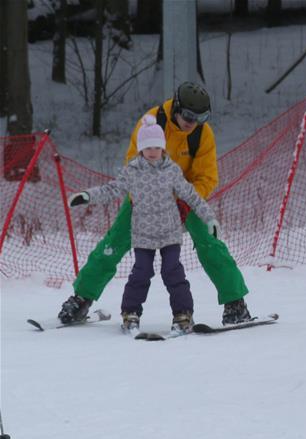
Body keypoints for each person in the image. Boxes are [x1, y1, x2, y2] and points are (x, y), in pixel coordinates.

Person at [57, 82, 253, 327]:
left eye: (200, 117)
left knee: (210, 244)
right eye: (188, 115)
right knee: (113, 243)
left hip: (185, 197)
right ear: (177, 108)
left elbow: (207, 177)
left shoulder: (202, 134)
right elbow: (133, 164)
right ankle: (82, 298)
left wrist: (183, 203)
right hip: (145, 197)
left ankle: (235, 303)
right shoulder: (151, 123)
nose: (193, 122)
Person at [68, 116, 218, 333]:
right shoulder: (132, 171)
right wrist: (87, 196)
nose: (153, 152)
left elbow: (192, 196)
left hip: (169, 233)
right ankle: (130, 313)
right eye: (148, 148)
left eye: (157, 147)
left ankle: (183, 314)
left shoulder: (172, 170)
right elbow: (112, 190)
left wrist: (209, 218)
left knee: (173, 272)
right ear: (141, 149)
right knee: (141, 273)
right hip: (143, 235)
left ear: (163, 148)